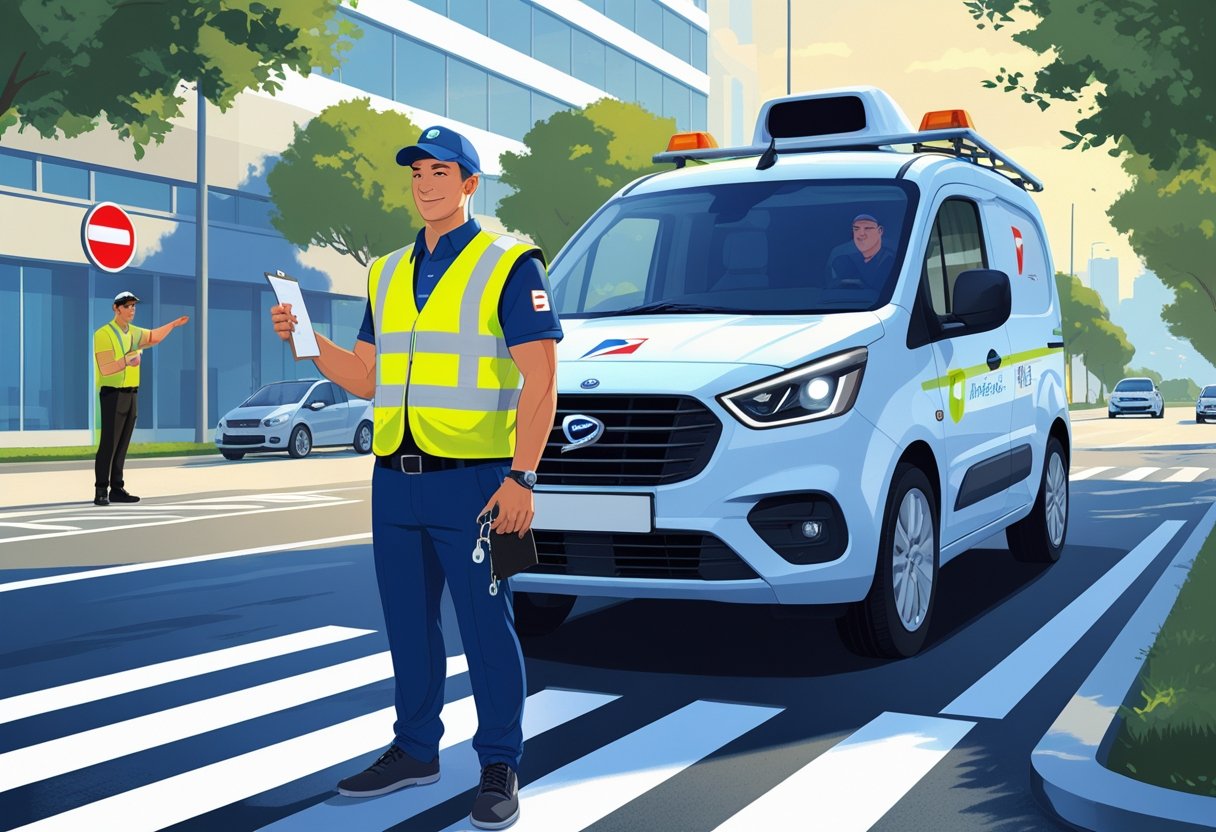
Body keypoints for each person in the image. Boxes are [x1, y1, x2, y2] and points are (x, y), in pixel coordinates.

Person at [270, 125, 561, 830]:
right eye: (417, 173)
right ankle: (415, 750)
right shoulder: (387, 272)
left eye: (441, 171)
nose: (426, 183)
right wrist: (309, 344)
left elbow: (542, 378)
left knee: (487, 627)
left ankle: (499, 762)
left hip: (477, 480)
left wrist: (522, 477)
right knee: (408, 624)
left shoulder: (508, 263)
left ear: (469, 184)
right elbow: (367, 377)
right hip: (395, 479)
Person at [92, 292, 189, 506]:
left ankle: (117, 488)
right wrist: (126, 361)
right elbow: (105, 368)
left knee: (123, 443)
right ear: (116, 308)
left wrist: (172, 325)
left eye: (134, 306)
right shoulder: (103, 334)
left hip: (131, 393)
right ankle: (101, 490)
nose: (132, 310)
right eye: (127, 306)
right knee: (109, 443)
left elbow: (153, 337)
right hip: (112, 393)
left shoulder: (134, 332)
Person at [827, 213, 897, 291]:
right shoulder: (839, 253)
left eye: (867, 228)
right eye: (856, 229)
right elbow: (827, 286)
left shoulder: (896, 252)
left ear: (880, 230)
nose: (861, 234)